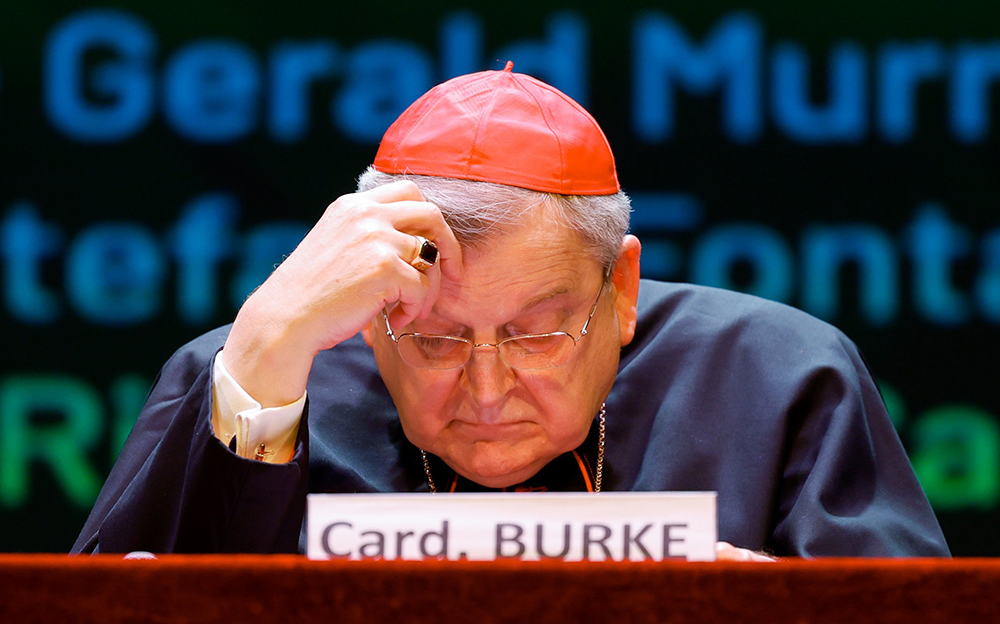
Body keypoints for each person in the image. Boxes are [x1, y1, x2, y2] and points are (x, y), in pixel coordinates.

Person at [73, 63, 949, 558]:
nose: (486, 394)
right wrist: (263, 355)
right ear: (375, 310)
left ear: (622, 289)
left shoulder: (779, 374)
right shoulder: (261, 364)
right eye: (435, 337)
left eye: (535, 332)